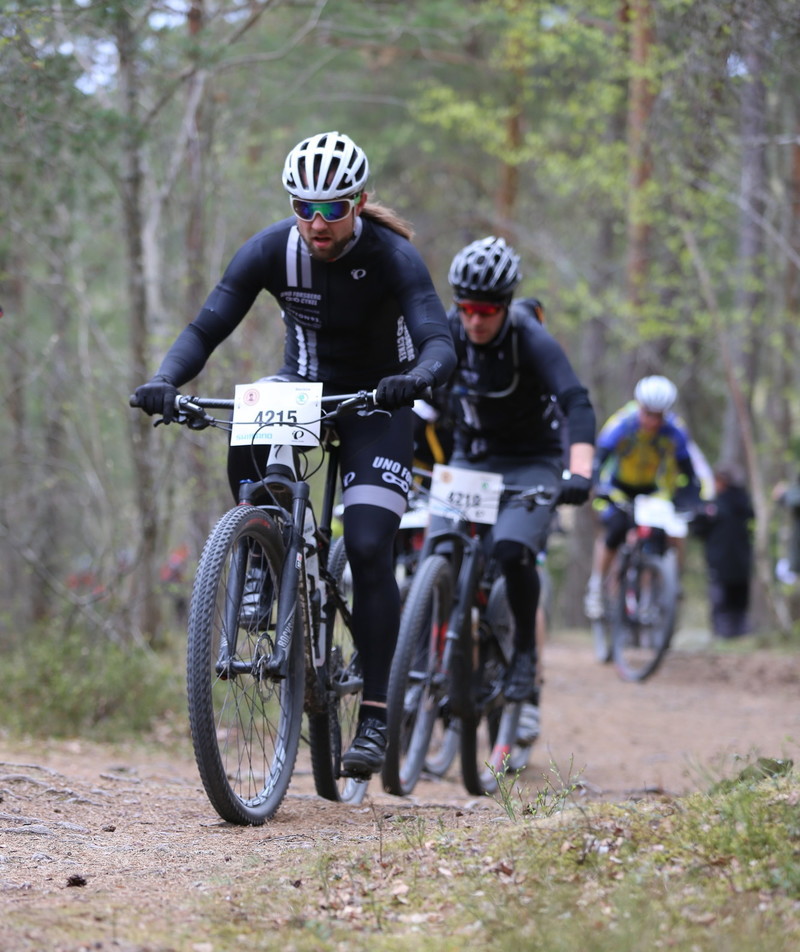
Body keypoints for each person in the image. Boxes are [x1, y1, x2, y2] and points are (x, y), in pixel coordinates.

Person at [131, 130, 456, 779]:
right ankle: (258, 548)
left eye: (333, 207)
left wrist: (416, 378)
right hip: (302, 389)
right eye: (303, 206)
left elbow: (437, 338)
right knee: (248, 410)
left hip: (377, 401)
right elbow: (207, 325)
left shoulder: (393, 256)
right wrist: (168, 380)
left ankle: (373, 713)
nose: (316, 221)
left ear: (359, 202)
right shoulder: (270, 251)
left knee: (366, 546)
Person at [417, 235, 596, 728]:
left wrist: (580, 470)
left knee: (511, 550)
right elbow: (423, 403)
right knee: (437, 553)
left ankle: (523, 657)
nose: (475, 320)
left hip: (530, 462)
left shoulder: (529, 339)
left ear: (506, 305)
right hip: (471, 459)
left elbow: (576, 404)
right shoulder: (449, 334)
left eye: (486, 310)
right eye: (466, 308)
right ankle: (425, 669)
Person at [584, 375, 710, 619]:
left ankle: (654, 591)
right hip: (617, 485)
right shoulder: (623, 423)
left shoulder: (674, 430)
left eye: (658, 415)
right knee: (615, 530)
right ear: (639, 406)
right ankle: (596, 586)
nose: (652, 421)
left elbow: (688, 470)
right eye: (648, 413)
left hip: (651, 488)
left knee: (661, 535)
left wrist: (694, 499)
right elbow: (600, 458)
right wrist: (596, 485)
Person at [692, 463, 754, 637]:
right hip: (740, 563)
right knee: (736, 602)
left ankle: (726, 635)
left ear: (722, 482)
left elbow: (698, 530)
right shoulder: (744, 504)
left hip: (722, 563)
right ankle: (737, 635)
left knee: (723, 602)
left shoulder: (715, 506)